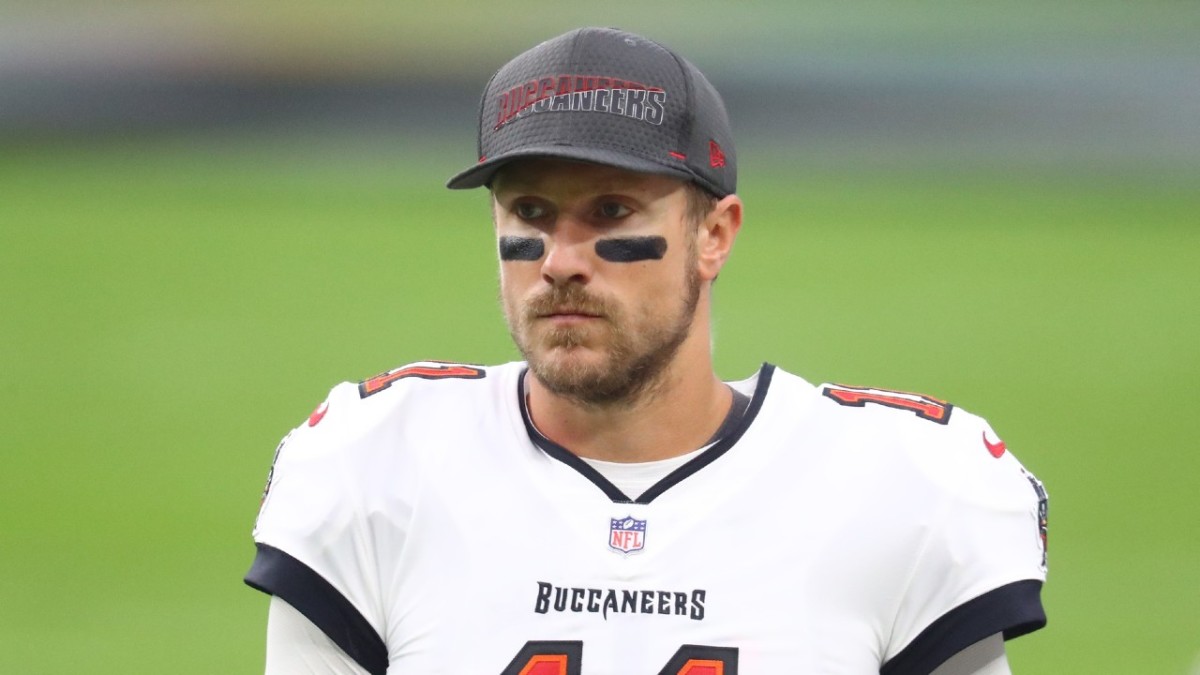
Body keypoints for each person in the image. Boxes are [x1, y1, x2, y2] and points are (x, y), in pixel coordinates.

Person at [245, 26, 1049, 675]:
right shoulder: (376, 469)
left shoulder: (896, 489)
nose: (560, 258)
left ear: (715, 235)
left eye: (610, 211)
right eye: (529, 211)